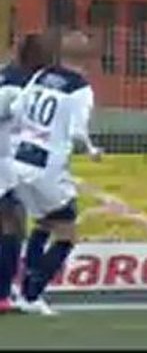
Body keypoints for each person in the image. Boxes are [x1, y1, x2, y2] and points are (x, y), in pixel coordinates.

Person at [12, 30, 102, 316]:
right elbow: (77, 131)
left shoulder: (39, 76)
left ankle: (22, 287)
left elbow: (16, 108)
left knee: (44, 223)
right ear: (88, 58)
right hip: (48, 166)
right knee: (67, 233)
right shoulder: (80, 89)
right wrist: (91, 150)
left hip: (20, 160)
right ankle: (31, 293)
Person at [0, 33, 56, 312]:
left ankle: (6, 289)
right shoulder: (19, 87)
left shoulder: (11, 79)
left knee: (14, 223)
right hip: (6, 164)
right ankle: (4, 291)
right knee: (13, 224)